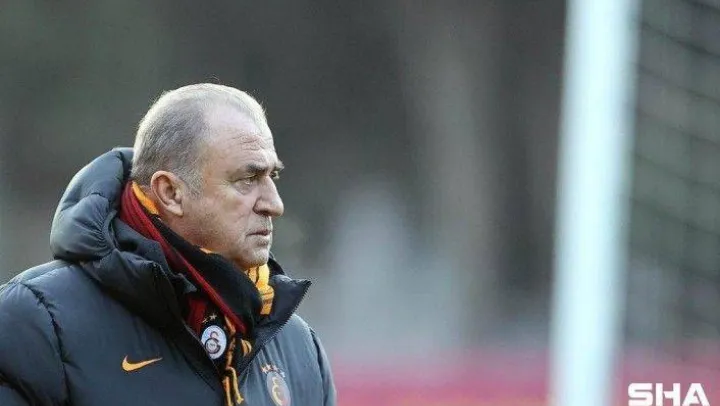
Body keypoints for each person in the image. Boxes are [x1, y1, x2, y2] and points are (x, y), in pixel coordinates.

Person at [0, 84, 336, 406]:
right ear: (171, 193)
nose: (274, 204)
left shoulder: (300, 351)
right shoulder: (34, 325)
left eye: (271, 176)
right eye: (248, 179)